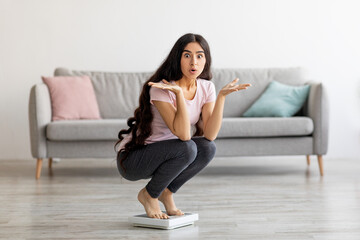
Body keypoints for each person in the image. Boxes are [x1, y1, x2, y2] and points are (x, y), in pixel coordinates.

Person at [115, 33, 251, 219]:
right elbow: (184, 135)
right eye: (187, 55)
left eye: (199, 56)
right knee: (187, 147)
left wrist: (221, 97)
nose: (193, 62)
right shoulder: (162, 88)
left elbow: (210, 135)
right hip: (133, 160)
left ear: (206, 60)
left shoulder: (206, 87)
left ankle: (166, 192)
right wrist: (179, 95)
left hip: (168, 154)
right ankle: (149, 195)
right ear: (177, 58)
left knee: (208, 148)